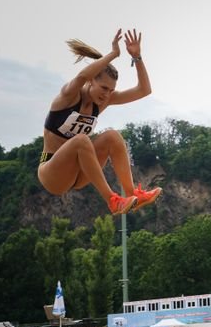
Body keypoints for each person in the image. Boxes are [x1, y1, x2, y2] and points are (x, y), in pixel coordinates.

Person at [38, 28, 161, 215]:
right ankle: (112, 200)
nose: (107, 94)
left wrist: (137, 58)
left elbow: (144, 90)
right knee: (81, 140)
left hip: (79, 174)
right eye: (103, 88)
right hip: (52, 173)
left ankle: (132, 195)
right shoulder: (68, 96)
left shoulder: (103, 101)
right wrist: (113, 54)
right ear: (90, 82)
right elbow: (80, 76)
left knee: (112, 136)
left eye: (111, 90)